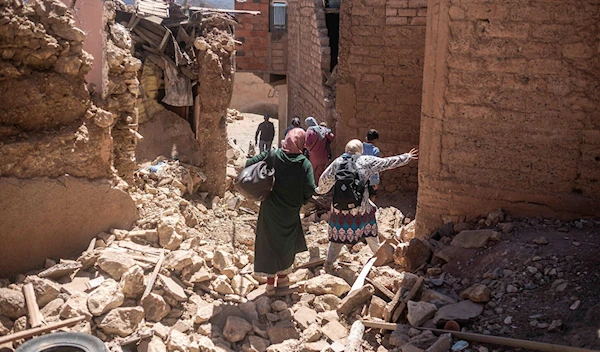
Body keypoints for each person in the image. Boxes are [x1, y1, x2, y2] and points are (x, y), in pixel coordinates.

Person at [315, 139, 418, 273]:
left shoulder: (337, 162)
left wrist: (318, 191)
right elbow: (387, 163)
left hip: (340, 208)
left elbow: (324, 182)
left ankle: (329, 264)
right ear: (360, 151)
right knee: (370, 230)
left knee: (337, 237)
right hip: (361, 207)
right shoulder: (366, 161)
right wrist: (406, 157)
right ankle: (379, 256)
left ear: (346, 150)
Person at [245, 128, 316, 295]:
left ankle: (270, 284)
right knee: (286, 243)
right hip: (291, 211)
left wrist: (265, 178)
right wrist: (302, 201)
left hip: (270, 208)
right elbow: (310, 188)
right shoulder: (304, 163)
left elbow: (249, 164)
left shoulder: (273, 155)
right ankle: (283, 279)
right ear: (301, 143)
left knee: (269, 242)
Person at [305, 117, 334, 185]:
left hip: (313, 157)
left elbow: (307, 144)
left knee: (311, 173)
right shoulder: (323, 130)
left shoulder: (310, 131)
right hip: (323, 156)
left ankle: (312, 187)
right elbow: (332, 137)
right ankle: (319, 188)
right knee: (320, 174)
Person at [362, 129, 381, 202]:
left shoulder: (360, 147)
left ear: (366, 137)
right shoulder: (375, 150)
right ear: (375, 140)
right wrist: (375, 181)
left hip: (361, 176)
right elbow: (375, 166)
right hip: (370, 177)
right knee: (372, 194)